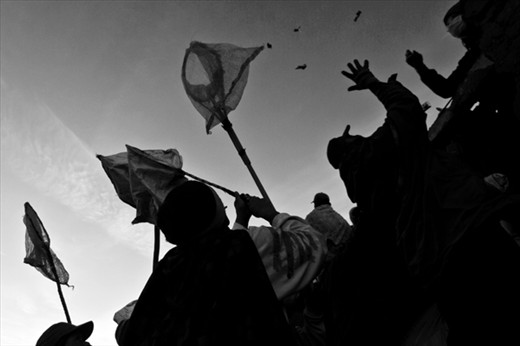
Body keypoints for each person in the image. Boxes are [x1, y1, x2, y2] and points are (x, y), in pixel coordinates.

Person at [327, 58, 520, 345]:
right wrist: (376, 84)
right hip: (467, 236)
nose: (358, 135)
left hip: (434, 267)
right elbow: (405, 109)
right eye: (354, 136)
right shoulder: (378, 149)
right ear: (351, 146)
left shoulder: (362, 189)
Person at [114, 180, 326, 346]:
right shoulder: (245, 246)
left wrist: (241, 219)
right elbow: (314, 243)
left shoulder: (169, 268)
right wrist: (271, 214)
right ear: (215, 211)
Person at [406, 1, 520, 193]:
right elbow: (447, 88)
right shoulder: (474, 53)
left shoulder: (503, 28)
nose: (451, 28)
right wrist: (419, 66)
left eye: (452, 22)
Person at [305, 193, 352, 262]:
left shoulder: (311, 217)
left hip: (334, 259)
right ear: (328, 202)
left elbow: (306, 240)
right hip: (350, 250)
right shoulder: (337, 216)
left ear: (316, 203)